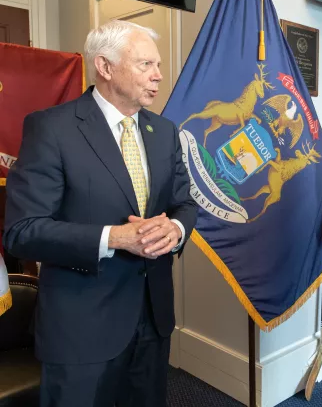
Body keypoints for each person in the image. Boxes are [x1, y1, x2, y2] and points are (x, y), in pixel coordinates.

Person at [3, 20, 198, 407]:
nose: (158, 75)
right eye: (145, 64)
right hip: (82, 328)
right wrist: (114, 237)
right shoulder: (52, 129)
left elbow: (185, 203)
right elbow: (22, 231)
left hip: (153, 320)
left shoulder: (165, 131)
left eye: (157, 65)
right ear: (105, 67)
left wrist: (175, 229)